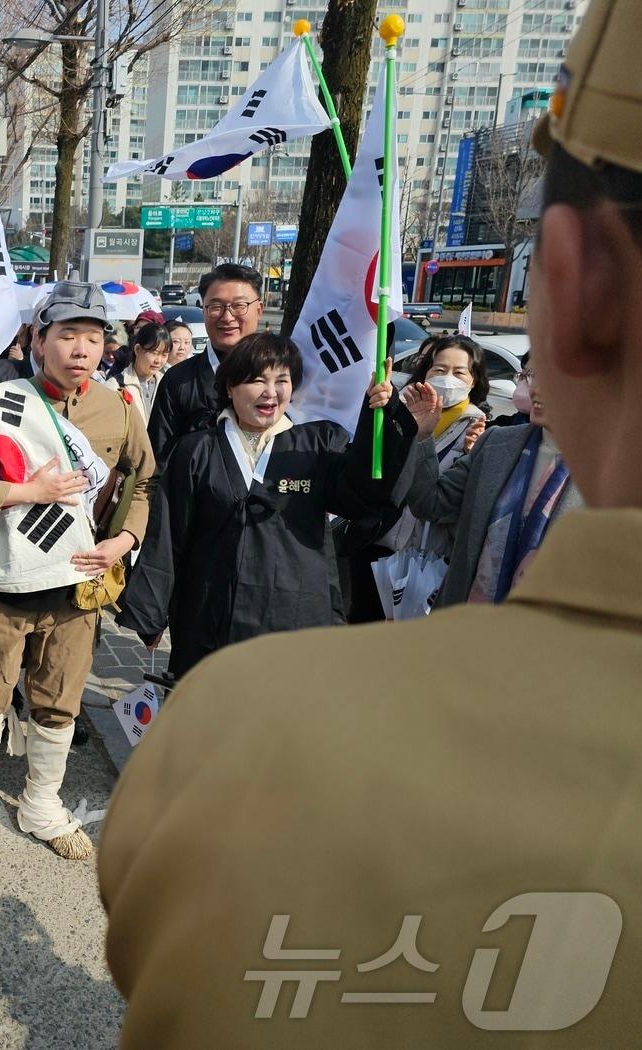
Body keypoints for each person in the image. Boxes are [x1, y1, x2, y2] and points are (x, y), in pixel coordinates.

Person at [101, 4, 642, 1042]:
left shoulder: (256, 734)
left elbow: (372, 500)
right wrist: (151, 605)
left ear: (566, 286)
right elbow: (165, 522)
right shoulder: (192, 444)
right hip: (221, 619)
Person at [0, 281, 155, 860]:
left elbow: (142, 483)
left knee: (61, 695)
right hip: (4, 580)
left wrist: (124, 540)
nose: (81, 349)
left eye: (94, 337)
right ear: (39, 339)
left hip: (80, 580)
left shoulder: (120, 409)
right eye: (67, 335)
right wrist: (28, 490)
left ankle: (41, 803)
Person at [118, 333, 417, 681]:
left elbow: (363, 493)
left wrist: (381, 417)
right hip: (210, 615)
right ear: (229, 386)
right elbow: (168, 534)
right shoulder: (196, 450)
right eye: (257, 379)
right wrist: (151, 612)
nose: (270, 392)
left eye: (282, 380)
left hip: (296, 614)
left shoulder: (317, 443)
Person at [402, 363, 579, 608]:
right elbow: (430, 503)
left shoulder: (616, 473)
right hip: (467, 622)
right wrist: (422, 436)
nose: (534, 388)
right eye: (530, 375)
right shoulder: (496, 443)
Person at [347, 334, 493, 622]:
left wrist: (469, 454)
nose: (447, 378)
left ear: (474, 381)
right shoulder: (399, 409)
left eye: (459, 372)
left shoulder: (481, 432)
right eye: (439, 369)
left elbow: (452, 499)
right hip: (378, 544)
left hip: (431, 559)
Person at [147, 263, 264, 464]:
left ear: (259, 310)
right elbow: (158, 461)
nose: (227, 317)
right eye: (216, 307)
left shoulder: (282, 376)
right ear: (203, 310)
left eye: (238, 306)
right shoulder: (177, 381)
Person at [104, 322, 170, 422]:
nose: (158, 361)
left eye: (164, 355)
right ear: (137, 349)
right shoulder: (116, 386)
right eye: (154, 353)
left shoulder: (167, 383)